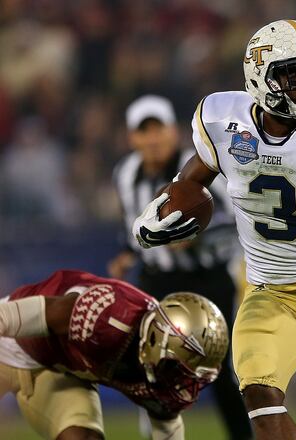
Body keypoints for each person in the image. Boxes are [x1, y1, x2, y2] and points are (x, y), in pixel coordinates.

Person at [132, 19, 296, 439]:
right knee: (258, 391)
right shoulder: (224, 122)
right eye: (295, 74)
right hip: (268, 291)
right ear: (261, 78)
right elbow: (189, 185)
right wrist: (154, 218)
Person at [108, 94, 252, 439]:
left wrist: (196, 232)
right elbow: (133, 221)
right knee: (150, 366)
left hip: (209, 277)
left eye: (159, 129)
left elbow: (239, 218)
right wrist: (127, 253)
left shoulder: (203, 164)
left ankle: (244, 436)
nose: (153, 139)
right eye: (145, 132)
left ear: (174, 131)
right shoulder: (125, 174)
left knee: (220, 368)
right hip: (157, 280)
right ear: (133, 138)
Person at [0, 269, 228, 440]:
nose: (185, 385)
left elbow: (167, 432)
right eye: (179, 371)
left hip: (56, 372)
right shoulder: (111, 316)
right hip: (9, 342)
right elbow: (14, 317)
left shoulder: (164, 379)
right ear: (155, 341)